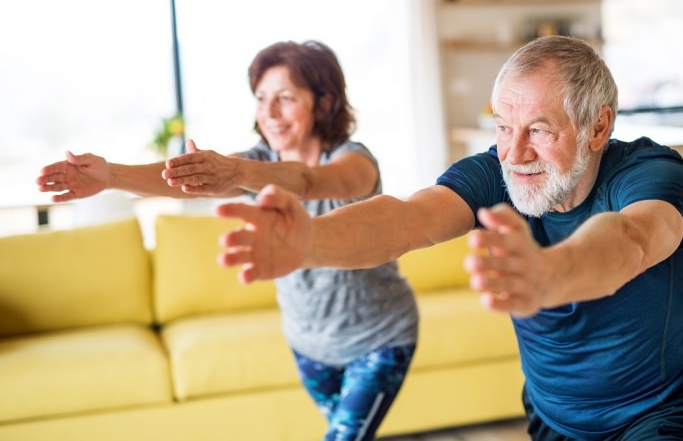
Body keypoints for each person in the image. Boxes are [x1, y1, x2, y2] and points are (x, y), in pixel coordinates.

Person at [215, 35, 683, 441]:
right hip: (553, 415)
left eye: (540, 130)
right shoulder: (493, 173)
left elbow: (633, 239)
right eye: (504, 127)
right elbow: (407, 220)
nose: (514, 152)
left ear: (598, 129)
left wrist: (549, 275)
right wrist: (309, 240)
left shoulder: (651, 172)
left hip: (661, 411)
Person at [36, 40, 419, 441]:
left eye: (285, 98)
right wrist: (111, 176)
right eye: (261, 98)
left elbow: (307, 182)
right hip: (309, 344)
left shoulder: (354, 161)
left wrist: (236, 171)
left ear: (323, 103)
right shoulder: (258, 162)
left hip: (380, 338)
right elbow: (187, 182)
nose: (269, 113)